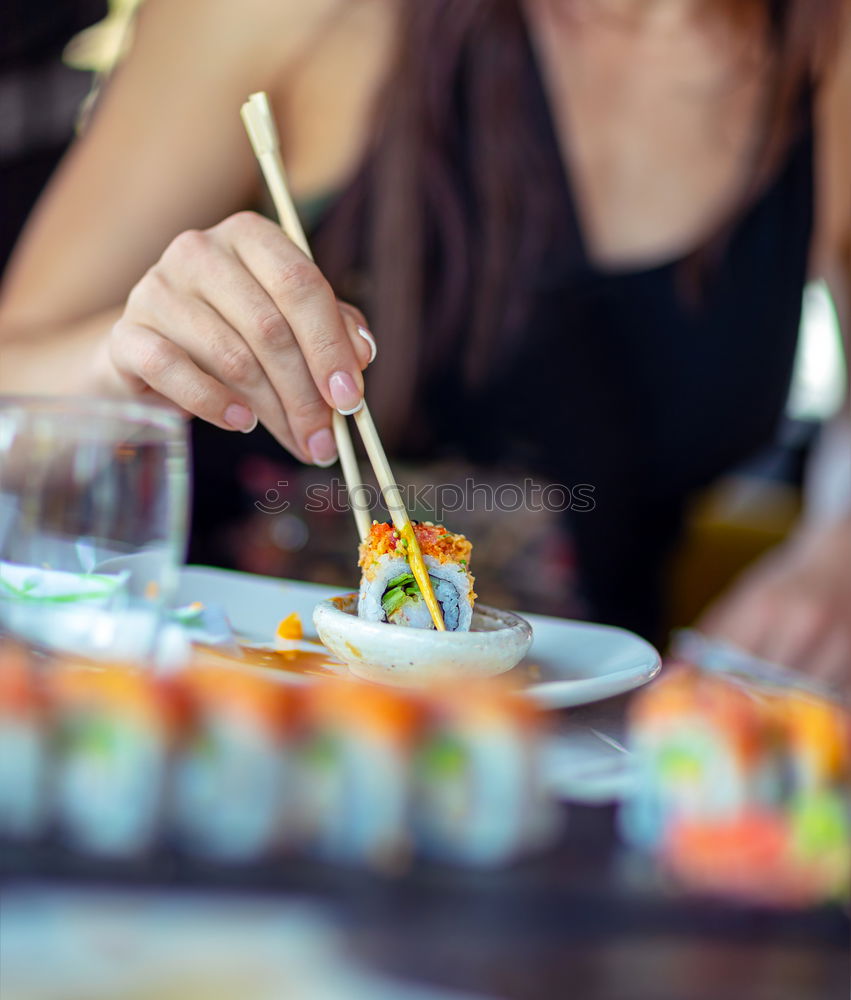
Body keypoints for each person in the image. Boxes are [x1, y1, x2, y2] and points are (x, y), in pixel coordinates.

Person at [0, 0, 849, 679]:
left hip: (575, 744)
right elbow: (13, 380)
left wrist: (839, 546)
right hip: (216, 701)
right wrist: (127, 361)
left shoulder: (825, 45)